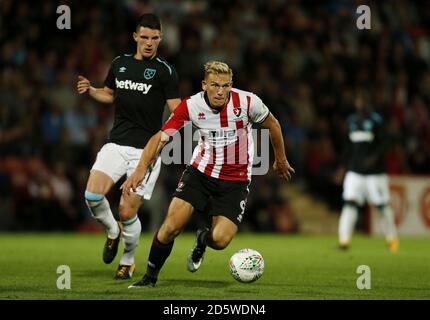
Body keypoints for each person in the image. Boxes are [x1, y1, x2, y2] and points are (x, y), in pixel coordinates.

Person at [121, 61, 295, 287]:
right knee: (171, 227)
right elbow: (161, 138)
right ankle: (149, 278)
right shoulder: (191, 106)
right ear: (204, 85)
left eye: (225, 86)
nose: (220, 91)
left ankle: (202, 239)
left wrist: (280, 159)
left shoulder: (248, 102)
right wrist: (139, 170)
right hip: (200, 173)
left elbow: (273, 125)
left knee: (221, 240)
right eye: (215, 85)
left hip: (236, 181)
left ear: (231, 85)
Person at [76, 13, 181, 279]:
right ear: (135, 36)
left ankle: (128, 259)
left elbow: (177, 112)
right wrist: (91, 90)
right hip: (116, 143)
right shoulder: (119, 64)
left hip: (145, 151)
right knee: (92, 196)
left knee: (126, 210)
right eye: (144, 37)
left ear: (160, 39)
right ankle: (113, 231)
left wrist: (165, 139)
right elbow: (109, 94)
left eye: (154, 38)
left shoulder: (165, 72)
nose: (149, 43)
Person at [337, 89, 399, 252]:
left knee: (382, 206)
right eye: (358, 100)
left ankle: (392, 240)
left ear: (368, 102)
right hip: (355, 172)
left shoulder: (376, 120)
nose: (361, 103)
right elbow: (347, 148)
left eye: (363, 100)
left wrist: (375, 157)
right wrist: (342, 167)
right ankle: (344, 241)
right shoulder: (351, 121)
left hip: (375, 174)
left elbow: (386, 143)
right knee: (349, 203)